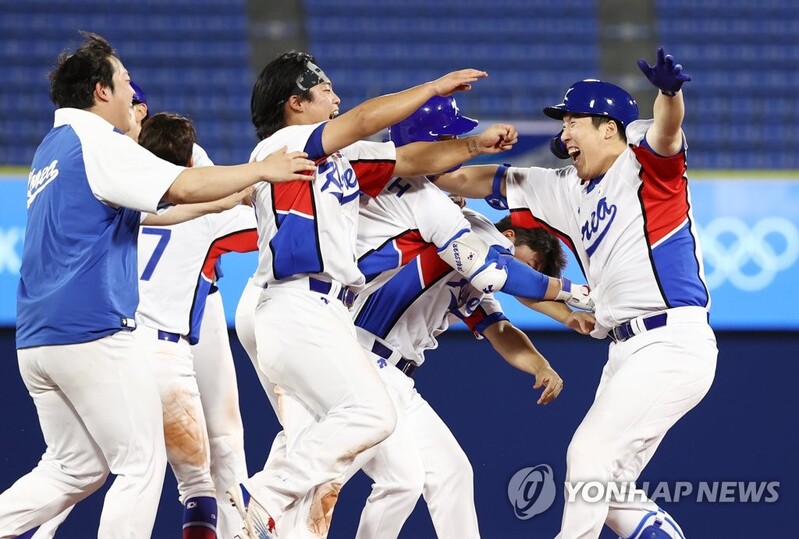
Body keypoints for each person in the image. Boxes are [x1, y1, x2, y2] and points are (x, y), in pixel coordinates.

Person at [0, 32, 314, 538]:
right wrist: (263, 170)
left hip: (37, 339)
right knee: (140, 464)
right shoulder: (98, 141)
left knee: (72, 469)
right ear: (101, 91)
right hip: (91, 332)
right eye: (124, 81)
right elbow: (182, 183)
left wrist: (219, 204)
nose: (132, 95)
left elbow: (157, 214)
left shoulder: (52, 149)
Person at [226, 50, 532, 539]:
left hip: (318, 309)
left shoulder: (335, 156)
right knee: (365, 415)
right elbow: (366, 117)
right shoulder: (289, 142)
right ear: (295, 103)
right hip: (295, 301)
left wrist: (474, 145)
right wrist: (435, 86)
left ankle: (262, 514)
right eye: (325, 90)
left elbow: (410, 158)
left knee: (386, 461)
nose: (336, 97)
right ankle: (265, 497)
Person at [436, 46, 717, 539]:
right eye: (562, 123)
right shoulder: (564, 187)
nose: (563, 133)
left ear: (610, 128)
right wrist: (451, 154)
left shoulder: (644, 166)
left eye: (574, 122)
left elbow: (668, 130)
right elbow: (459, 179)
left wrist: (669, 93)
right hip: (624, 350)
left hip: (671, 340)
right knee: (607, 493)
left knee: (587, 454)